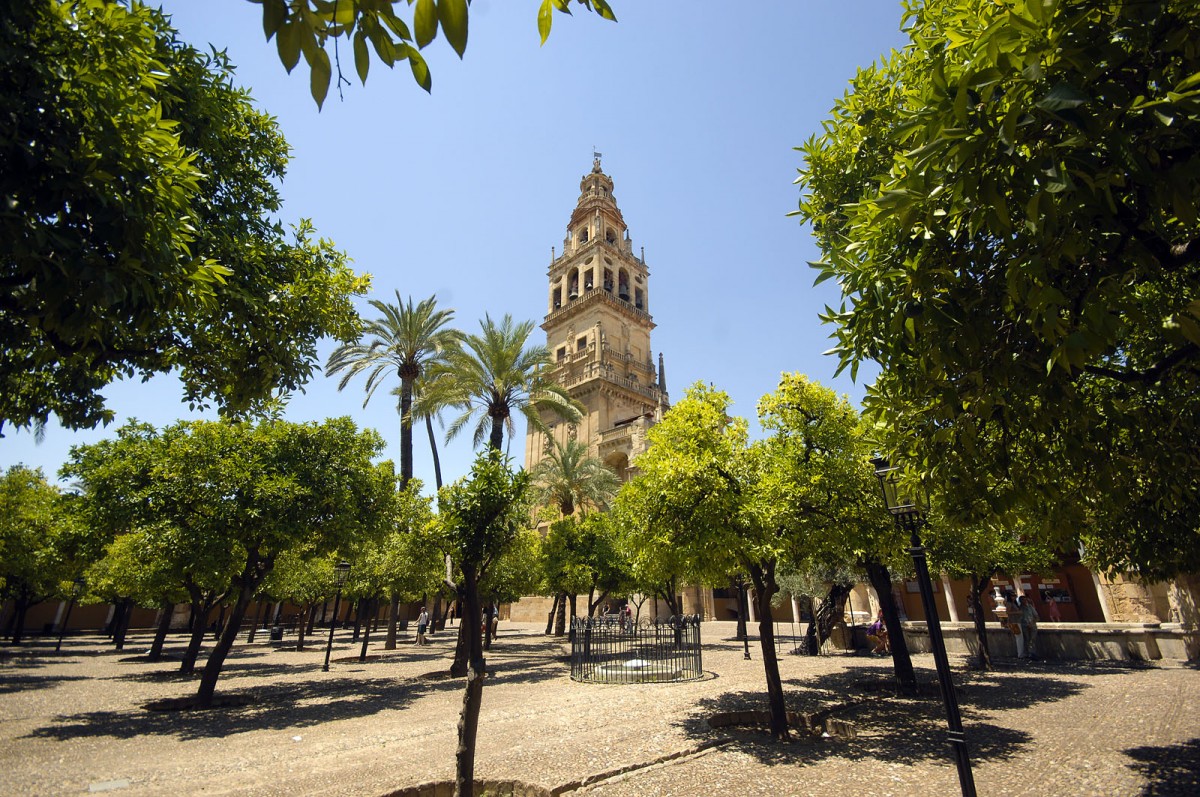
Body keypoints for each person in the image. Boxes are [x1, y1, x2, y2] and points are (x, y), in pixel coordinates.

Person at [1018, 594, 1040, 659]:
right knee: (1026, 639)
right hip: (1024, 626)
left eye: (1025, 600)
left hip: (1032, 625)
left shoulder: (1030, 607)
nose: (1024, 601)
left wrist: (1032, 623)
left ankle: (1032, 653)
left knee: (1032, 639)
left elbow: (1037, 617)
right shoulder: (1019, 608)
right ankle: (1028, 653)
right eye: (1022, 600)